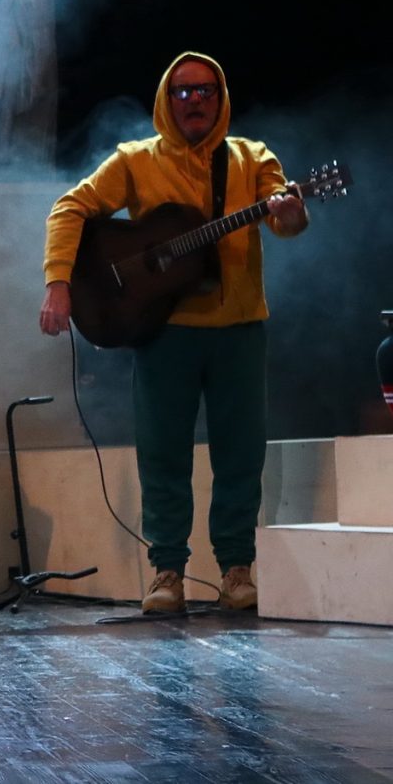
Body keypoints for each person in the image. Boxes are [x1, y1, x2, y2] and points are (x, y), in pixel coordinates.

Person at [39, 52, 309, 614]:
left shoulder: (252, 158)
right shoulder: (135, 160)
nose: (195, 100)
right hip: (164, 332)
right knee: (163, 456)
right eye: (183, 91)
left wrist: (291, 214)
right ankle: (167, 573)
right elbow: (70, 208)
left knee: (241, 455)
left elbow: (285, 221)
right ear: (167, 99)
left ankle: (237, 570)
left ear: (221, 97)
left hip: (239, 329)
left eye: (206, 90)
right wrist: (59, 282)